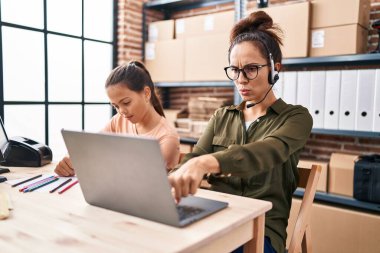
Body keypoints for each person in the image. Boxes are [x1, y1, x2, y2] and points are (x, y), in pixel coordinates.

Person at [168, 11, 312, 253]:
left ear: (275, 69)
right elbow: (193, 159)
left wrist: (206, 163)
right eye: (234, 70)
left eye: (251, 69)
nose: (241, 79)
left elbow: (269, 150)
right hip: (215, 220)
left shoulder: (296, 118)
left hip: (261, 231)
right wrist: (174, 176)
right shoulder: (222, 116)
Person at [55, 61, 180, 176]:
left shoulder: (167, 138)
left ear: (146, 93)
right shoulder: (118, 120)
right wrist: (71, 160)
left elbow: (142, 180)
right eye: (115, 106)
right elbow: (92, 147)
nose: (121, 111)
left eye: (126, 102)